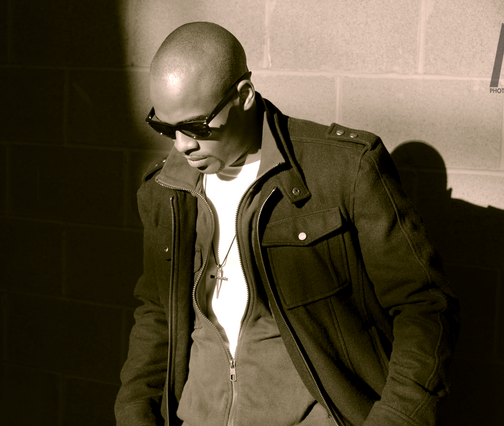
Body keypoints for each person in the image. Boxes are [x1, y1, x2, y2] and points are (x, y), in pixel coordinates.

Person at [115, 22, 460, 426]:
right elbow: (158, 314)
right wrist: (135, 413)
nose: (182, 144)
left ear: (244, 96)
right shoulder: (166, 190)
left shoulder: (342, 171)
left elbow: (425, 307)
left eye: (196, 126)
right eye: (164, 126)